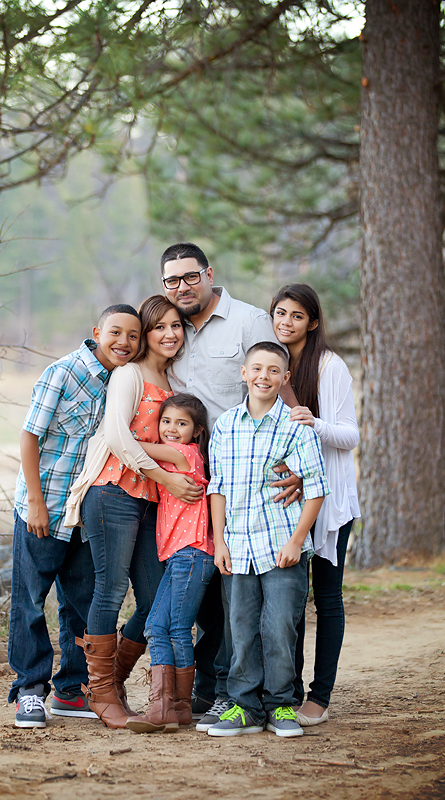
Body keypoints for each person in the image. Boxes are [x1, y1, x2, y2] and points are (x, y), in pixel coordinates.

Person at [160, 242, 302, 729]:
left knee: (263, 601)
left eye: (189, 276)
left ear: (208, 274)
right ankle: (215, 689)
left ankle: (261, 695)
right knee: (212, 593)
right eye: (172, 280)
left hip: (254, 480)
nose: (182, 287)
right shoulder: (172, 328)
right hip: (194, 482)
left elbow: (276, 381)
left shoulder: (246, 321)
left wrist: (297, 452)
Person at [65, 296, 202, 730]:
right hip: (112, 491)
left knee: (155, 597)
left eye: (176, 325)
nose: (169, 334)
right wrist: (166, 476)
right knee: (109, 589)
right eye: (158, 327)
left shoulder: (174, 378)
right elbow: (117, 437)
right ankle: (103, 694)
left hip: (150, 502)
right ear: (147, 334)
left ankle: (113, 679)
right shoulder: (128, 375)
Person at [9, 304, 142, 728]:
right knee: (30, 600)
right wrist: (35, 501)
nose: (124, 342)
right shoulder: (62, 373)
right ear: (97, 332)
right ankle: (30, 690)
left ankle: (70, 690)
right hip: (44, 507)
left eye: (133, 336)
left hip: (85, 512)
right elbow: (30, 438)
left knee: (80, 605)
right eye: (116, 333)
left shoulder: (123, 382)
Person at [207, 341, 329, 738]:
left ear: (285, 378)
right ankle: (245, 707)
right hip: (238, 546)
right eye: (256, 369)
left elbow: (315, 487)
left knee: (279, 627)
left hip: (282, 546)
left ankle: (280, 705)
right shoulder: (226, 425)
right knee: (240, 628)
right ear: (243, 373)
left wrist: (297, 541)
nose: (264, 376)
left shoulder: (295, 426)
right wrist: (219, 541)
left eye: (274, 371)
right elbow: (218, 487)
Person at [270, 284, 360, 726]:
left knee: (326, 598)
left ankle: (319, 697)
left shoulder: (329, 365)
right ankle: (285, 692)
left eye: (296, 316)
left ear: (313, 322)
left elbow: (350, 435)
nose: (286, 322)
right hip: (288, 500)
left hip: (331, 502)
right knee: (290, 598)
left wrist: (313, 420)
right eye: (280, 313)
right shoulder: (274, 364)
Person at [125, 394, 215, 734]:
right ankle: (171, 708)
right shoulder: (173, 462)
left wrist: (120, 434)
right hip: (181, 556)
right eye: (166, 422)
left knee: (173, 628)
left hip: (191, 554)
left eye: (181, 423)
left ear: (196, 432)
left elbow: (141, 448)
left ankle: (170, 705)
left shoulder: (186, 454)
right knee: (157, 626)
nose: (172, 429)